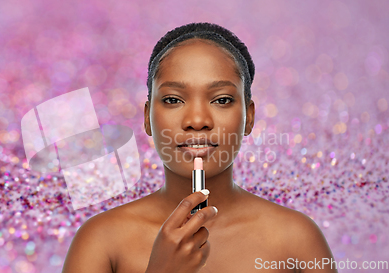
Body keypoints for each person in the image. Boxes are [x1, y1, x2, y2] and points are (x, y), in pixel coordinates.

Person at [62, 22, 337, 273]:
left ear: (249, 117)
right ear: (147, 118)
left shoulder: (296, 239)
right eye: (172, 99)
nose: (197, 121)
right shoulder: (101, 241)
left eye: (221, 100)